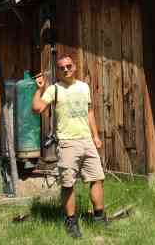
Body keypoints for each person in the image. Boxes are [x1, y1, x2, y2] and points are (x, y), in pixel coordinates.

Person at [32, 54, 107, 239]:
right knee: (68, 184)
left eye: (69, 66)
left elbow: (89, 112)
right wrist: (39, 89)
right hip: (67, 143)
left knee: (97, 178)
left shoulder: (84, 87)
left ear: (74, 67)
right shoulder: (54, 89)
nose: (66, 69)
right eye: (62, 67)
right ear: (58, 70)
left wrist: (95, 136)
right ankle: (71, 221)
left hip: (86, 141)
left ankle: (99, 217)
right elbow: (37, 108)